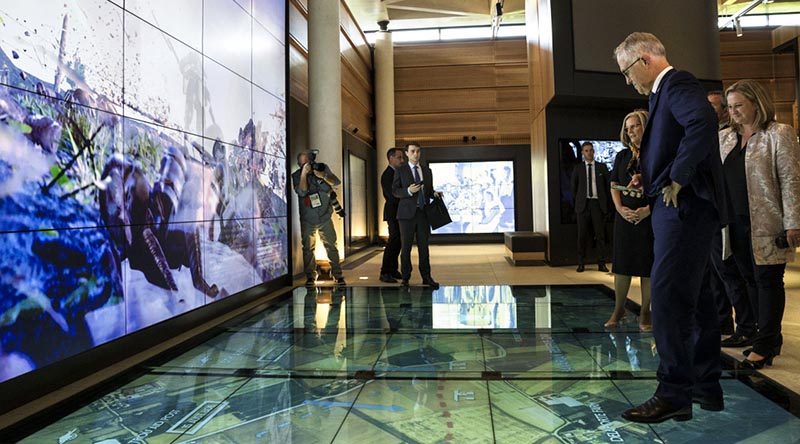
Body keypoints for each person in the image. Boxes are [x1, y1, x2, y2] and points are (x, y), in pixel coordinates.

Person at [614, 32, 726, 423]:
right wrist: (653, 177)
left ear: (644, 60)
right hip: (681, 207)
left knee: (667, 299)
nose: (628, 81)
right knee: (698, 299)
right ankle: (705, 386)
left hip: (683, 207)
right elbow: (681, 136)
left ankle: (673, 392)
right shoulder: (660, 96)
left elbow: (702, 122)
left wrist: (677, 178)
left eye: (627, 72)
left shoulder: (676, 83)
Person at [721, 79, 800, 369]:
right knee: (749, 280)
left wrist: (793, 222)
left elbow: (791, 180)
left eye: (739, 105)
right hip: (734, 223)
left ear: (756, 102)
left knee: (767, 281)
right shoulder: (725, 138)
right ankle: (764, 338)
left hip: (768, 222)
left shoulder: (779, 133)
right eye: (730, 107)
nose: (733, 112)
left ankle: (765, 345)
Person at [707, 90, 754, 341]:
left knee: (732, 272)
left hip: (737, 216)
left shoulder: (733, 139)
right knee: (717, 274)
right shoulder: (717, 138)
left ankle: (747, 326)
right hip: (714, 216)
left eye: (712, 107)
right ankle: (724, 322)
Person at [605, 110, 653, 332]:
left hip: (649, 217)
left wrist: (646, 210)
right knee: (622, 265)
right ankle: (619, 309)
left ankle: (645, 311)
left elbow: (663, 189)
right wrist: (620, 208)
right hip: (624, 217)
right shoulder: (622, 156)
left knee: (647, 267)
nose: (630, 131)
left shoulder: (656, 153)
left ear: (645, 125)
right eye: (627, 128)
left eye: (634, 126)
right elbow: (614, 185)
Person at [291, 150, 346, 287]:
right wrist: (304, 173)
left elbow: (336, 182)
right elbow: (302, 191)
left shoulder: (322, 168)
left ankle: (337, 274)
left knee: (331, 245)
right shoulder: (297, 175)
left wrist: (323, 175)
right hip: (307, 218)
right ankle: (310, 276)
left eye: (305, 163)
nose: (302, 166)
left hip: (325, 216)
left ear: (311, 161)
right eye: (300, 164)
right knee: (308, 248)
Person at [392, 142, 441, 288]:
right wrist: (408, 191)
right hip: (406, 215)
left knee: (424, 247)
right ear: (406, 153)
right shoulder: (400, 170)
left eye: (418, 151)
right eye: (412, 151)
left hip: (423, 213)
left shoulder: (427, 171)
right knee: (406, 247)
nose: (416, 154)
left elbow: (429, 190)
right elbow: (394, 190)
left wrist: (434, 194)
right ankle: (405, 277)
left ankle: (426, 277)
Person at [570, 142, 611, 272]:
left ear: (594, 152)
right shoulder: (578, 168)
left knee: (600, 235)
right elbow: (574, 188)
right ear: (582, 153)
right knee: (581, 235)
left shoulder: (602, 167)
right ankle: (581, 263)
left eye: (591, 150)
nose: (589, 152)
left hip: (597, 204)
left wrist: (606, 205)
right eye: (586, 150)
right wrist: (578, 201)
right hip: (583, 205)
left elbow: (607, 186)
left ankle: (601, 263)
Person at [379, 148, 405, 283]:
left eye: (402, 158)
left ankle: (393, 269)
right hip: (393, 212)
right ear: (391, 158)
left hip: (399, 212)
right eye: (399, 157)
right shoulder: (387, 175)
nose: (402, 160)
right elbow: (392, 195)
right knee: (393, 241)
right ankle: (385, 272)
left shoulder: (397, 173)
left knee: (398, 242)